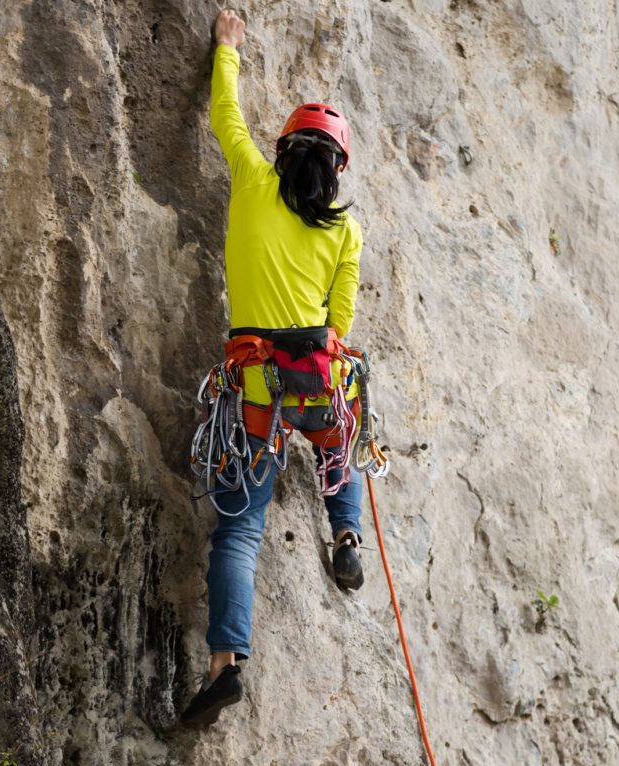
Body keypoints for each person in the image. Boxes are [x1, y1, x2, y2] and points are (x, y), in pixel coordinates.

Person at [181, 8, 366, 728]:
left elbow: (224, 114)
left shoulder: (254, 181)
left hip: (256, 386)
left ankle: (226, 665)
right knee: (339, 437)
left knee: (239, 530)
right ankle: (346, 533)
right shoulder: (346, 231)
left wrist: (227, 47)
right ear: (337, 169)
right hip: (314, 376)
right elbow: (339, 323)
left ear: (283, 149)